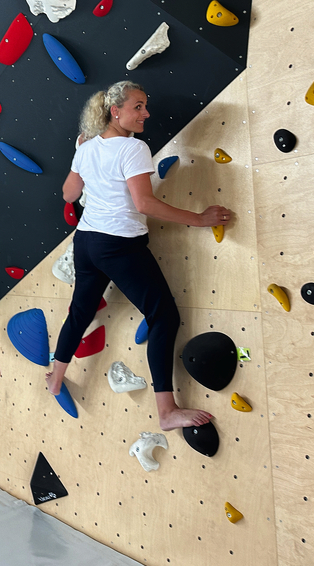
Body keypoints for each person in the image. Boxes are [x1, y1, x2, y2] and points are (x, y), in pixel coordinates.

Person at [45, 81, 232, 431]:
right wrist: (200, 219)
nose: (146, 112)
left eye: (145, 106)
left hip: (86, 242)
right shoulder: (133, 149)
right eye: (138, 106)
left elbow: (69, 194)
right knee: (164, 317)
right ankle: (166, 411)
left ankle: (56, 376)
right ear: (115, 111)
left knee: (81, 310)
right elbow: (144, 203)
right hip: (117, 245)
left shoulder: (86, 147)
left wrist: (81, 158)